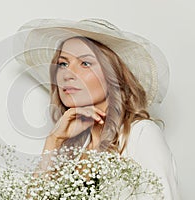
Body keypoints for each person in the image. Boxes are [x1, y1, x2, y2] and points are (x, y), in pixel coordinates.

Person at [15, 18, 180, 199]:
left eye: (85, 63)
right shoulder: (73, 148)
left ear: (113, 76)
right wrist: (53, 141)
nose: (67, 74)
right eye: (63, 64)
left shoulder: (141, 134)